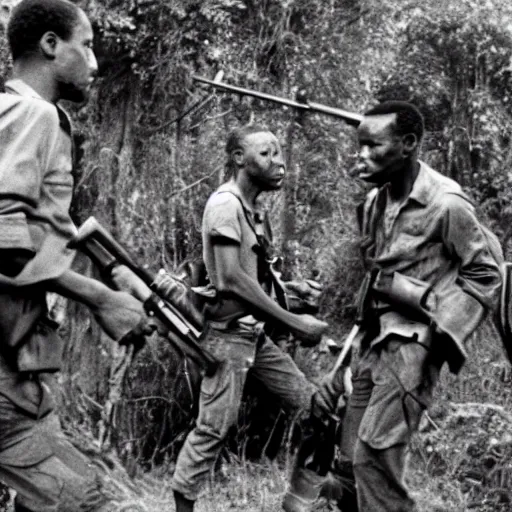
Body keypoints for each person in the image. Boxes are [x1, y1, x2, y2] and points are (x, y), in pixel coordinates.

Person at [0, 1, 153, 510]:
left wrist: (113, 267)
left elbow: (43, 220)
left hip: (17, 363)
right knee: (91, 501)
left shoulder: (16, 112)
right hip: (4, 371)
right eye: (85, 46)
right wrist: (100, 298)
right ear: (49, 45)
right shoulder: (34, 113)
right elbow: (5, 238)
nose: (94, 63)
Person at [319, 100, 503, 511]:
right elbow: (377, 271)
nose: (361, 155)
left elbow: (486, 274)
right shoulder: (372, 204)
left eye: (373, 145)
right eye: (359, 145)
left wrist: (441, 335)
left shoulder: (447, 204)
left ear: (408, 144)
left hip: (411, 348)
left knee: (374, 459)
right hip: (373, 342)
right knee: (348, 461)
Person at [170, 124, 329, 512]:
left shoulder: (251, 209)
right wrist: (294, 324)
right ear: (239, 159)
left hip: (253, 337)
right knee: (213, 428)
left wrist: (292, 291)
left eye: (278, 152)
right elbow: (229, 280)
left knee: (313, 407)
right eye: (267, 154)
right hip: (226, 338)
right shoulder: (226, 204)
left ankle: (308, 497)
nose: (280, 162)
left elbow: (250, 278)